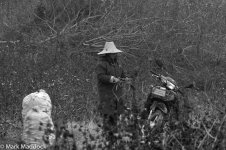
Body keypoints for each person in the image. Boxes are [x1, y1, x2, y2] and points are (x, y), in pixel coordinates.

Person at [95, 41, 130, 142]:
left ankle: (113, 140)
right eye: (113, 53)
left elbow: (123, 75)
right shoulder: (101, 65)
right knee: (107, 119)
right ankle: (108, 140)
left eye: (115, 53)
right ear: (108, 54)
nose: (114, 55)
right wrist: (111, 78)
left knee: (115, 119)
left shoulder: (118, 65)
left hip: (117, 97)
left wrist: (126, 79)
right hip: (106, 96)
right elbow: (101, 77)